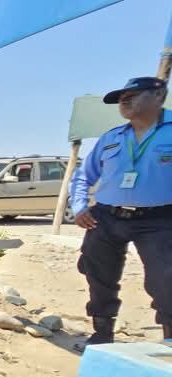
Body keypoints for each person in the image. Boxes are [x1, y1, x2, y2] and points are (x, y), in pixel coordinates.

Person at [70, 76, 172, 350]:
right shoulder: (112, 138)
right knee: (98, 272)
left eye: (133, 95)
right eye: (121, 99)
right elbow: (83, 177)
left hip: (160, 219)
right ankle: (102, 333)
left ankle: (169, 339)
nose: (124, 102)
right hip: (106, 216)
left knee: (166, 277)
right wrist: (79, 207)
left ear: (159, 96)